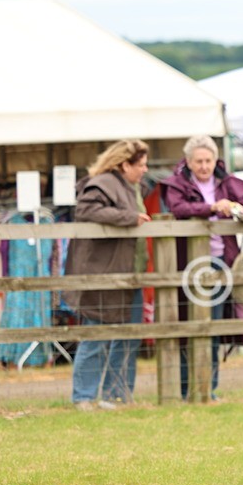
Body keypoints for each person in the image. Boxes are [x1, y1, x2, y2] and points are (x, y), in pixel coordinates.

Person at [158, 135, 243, 401]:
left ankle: (208, 390)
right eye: (198, 161)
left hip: (221, 262)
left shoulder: (226, 182)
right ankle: (184, 390)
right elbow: (178, 208)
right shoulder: (177, 185)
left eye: (208, 160)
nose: (204, 166)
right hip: (187, 264)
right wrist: (212, 207)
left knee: (211, 327)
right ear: (188, 162)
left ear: (216, 160)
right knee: (186, 328)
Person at [65, 139, 152, 411]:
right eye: (140, 164)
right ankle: (83, 397)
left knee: (128, 336)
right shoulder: (102, 183)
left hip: (130, 273)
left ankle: (117, 395)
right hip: (104, 273)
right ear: (124, 164)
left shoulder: (132, 186)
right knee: (97, 335)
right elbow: (86, 210)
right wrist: (129, 217)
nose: (145, 169)